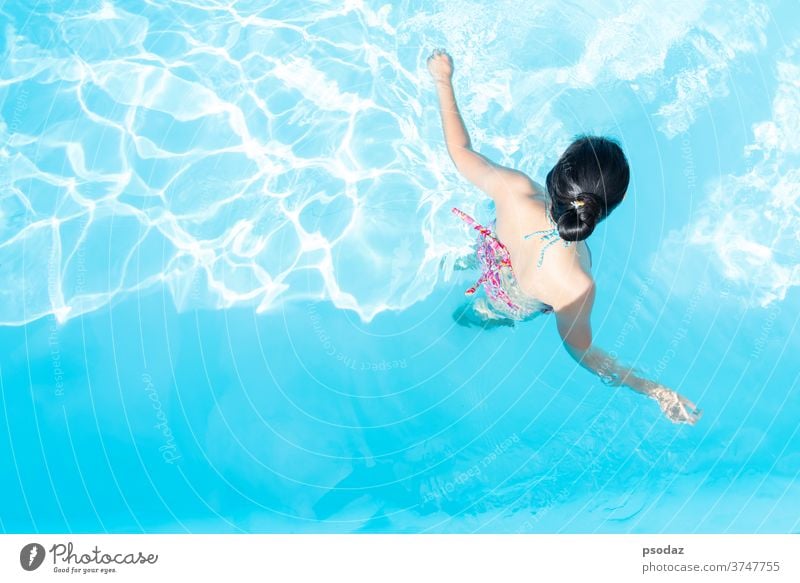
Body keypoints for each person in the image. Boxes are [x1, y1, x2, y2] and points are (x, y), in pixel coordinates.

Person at [428, 48, 701, 425]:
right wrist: (652, 389)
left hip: (494, 250)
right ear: (607, 209)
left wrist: (443, 79)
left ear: (556, 176)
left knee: (489, 256)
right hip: (513, 300)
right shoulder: (576, 285)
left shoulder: (515, 190)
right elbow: (584, 353)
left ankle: (465, 265)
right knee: (483, 314)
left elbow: (460, 152)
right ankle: (473, 318)